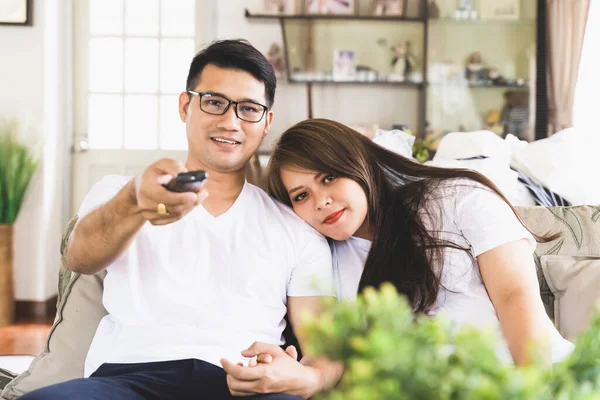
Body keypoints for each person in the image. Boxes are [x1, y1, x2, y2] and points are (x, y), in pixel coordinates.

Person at [21, 41, 342, 400]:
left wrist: (304, 378)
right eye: (214, 102)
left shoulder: (297, 231)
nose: (230, 121)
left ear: (266, 122)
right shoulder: (118, 192)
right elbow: (80, 257)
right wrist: (135, 203)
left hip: (245, 385)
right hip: (126, 381)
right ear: (185, 105)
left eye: (248, 109)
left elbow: (325, 347)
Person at [264, 118, 575, 366]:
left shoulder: (456, 196)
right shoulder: (319, 261)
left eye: (328, 178)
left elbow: (514, 294)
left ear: (358, 162)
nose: (321, 201)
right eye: (301, 195)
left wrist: (531, 387)